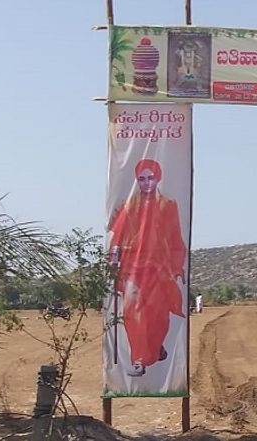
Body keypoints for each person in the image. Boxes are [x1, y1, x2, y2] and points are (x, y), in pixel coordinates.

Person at [108, 159, 186, 377]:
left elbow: (175, 238)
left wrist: (178, 267)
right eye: (141, 179)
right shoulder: (128, 206)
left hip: (160, 268)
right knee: (132, 310)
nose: (146, 182)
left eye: (150, 177)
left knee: (159, 314)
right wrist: (113, 262)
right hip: (133, 267)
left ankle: (154, 345)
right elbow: (117, 236)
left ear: (157, 178)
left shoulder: (168, 205)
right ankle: (139, 359)